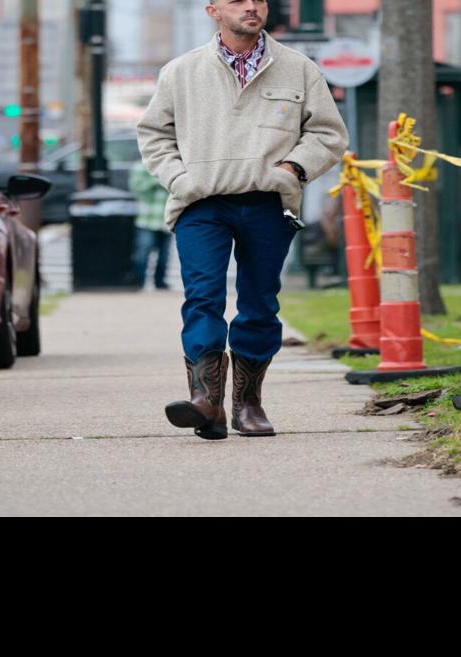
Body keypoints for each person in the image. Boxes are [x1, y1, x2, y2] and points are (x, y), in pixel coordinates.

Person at [136, 0, 348, 440]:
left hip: (268, 203)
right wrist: (180, 178)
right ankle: (205, 402)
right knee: (202, 298)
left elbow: (328, 133)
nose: (251, 7)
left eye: (259, 0)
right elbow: (154, 134)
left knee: (259, 303)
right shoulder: (181, 71)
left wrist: (291, 170)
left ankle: (247, 404)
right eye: (237, 0)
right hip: (201, 203)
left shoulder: (299, 68)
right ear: (214, 10)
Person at [129, 161, 172, 290]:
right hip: (146, 219)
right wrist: (158, 179)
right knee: (142, 253)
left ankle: (160, 282)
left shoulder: (171, 166)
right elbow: (138, 189)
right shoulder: (139, 167)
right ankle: (139, 282)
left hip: (166, 219)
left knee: (164, 255)